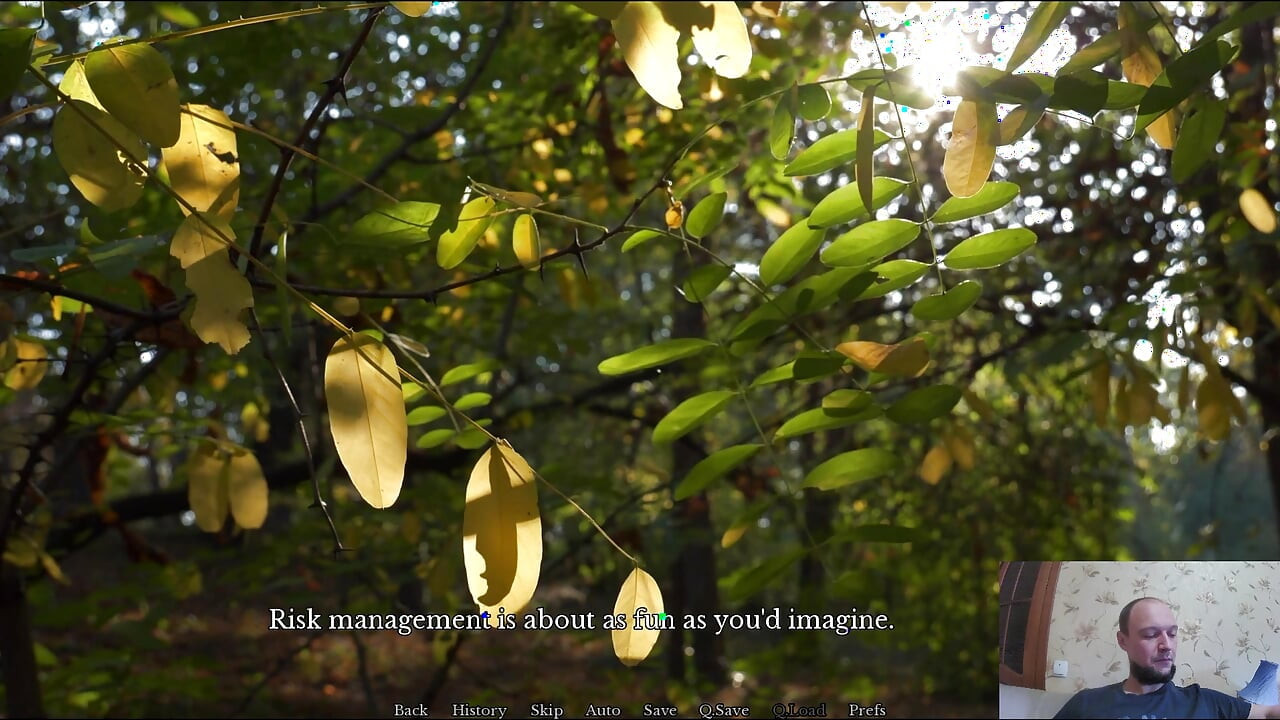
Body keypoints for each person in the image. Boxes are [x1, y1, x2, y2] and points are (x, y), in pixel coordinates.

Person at [1054, 597, 1280, 719]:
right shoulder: (1086, 704)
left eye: (1172, 634)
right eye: (1151, 635)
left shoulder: (1205, 701)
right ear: (1123, 641)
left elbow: (1267, 712)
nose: (1167, 645)